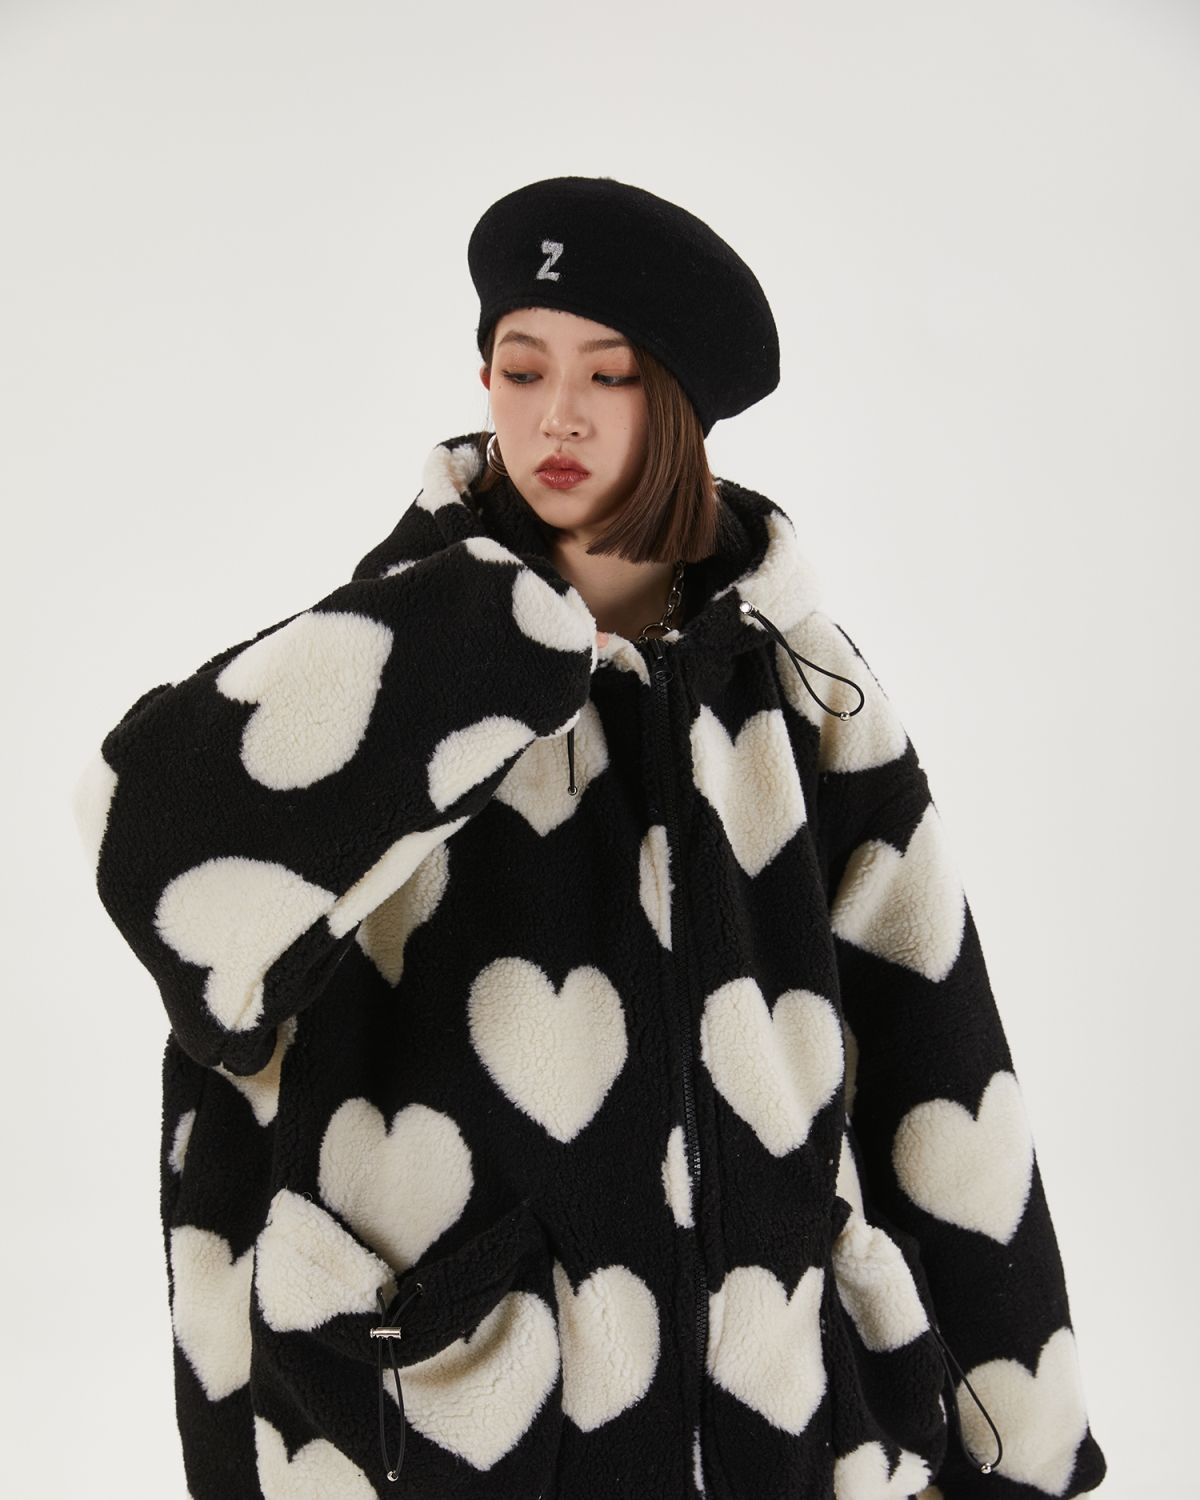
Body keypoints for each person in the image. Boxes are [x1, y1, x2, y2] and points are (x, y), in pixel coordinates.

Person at [72, 175, 1107, 1500]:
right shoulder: (397, 662)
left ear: (678, 405)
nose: (554, 414)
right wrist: (480, 638)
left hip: (772, 1416)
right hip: (456, 1429)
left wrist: (1018, 1441)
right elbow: (152, 859)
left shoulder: (802, 691)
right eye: (521, 367)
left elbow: (938, 1048)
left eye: (608, 374)